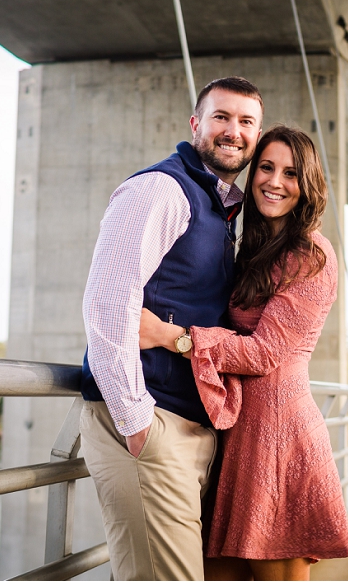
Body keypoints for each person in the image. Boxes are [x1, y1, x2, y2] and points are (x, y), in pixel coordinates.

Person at [138, 125, 348, 581]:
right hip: (238, 437)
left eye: (291, 173)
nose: (275, 181)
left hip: (279, 437)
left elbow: (264, 353)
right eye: (267, 168)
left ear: (309, 184)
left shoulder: (311, 254)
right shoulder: (255, 249)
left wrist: (169, 336)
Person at [79, 76, 264, 580]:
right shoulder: (162, 189)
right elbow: (109, 303)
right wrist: (137, 423)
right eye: (221, 117)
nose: (234, 131)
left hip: (187, 426)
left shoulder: (221, 208)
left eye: (247, 122)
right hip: (149, 423)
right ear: (195, 125)